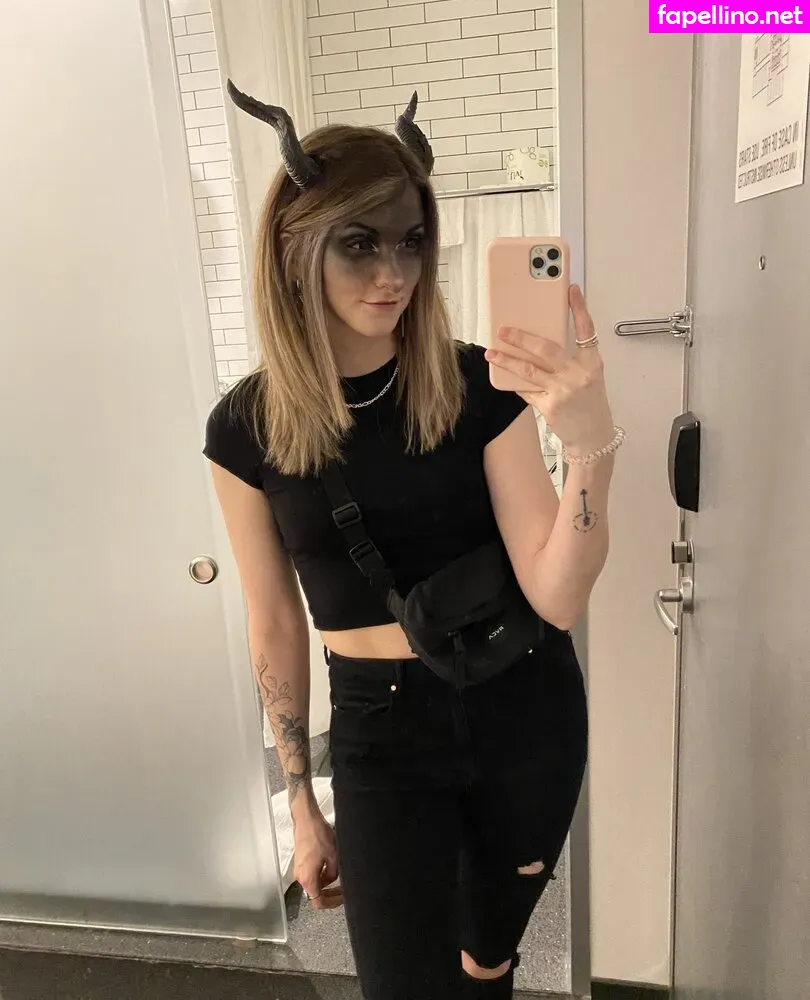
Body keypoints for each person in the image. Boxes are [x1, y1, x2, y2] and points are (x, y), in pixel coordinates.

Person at [203, 84, 622, 1000]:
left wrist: (592, 445)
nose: (392, 271)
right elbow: (274, 620)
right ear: (296, 247)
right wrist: (301, 802)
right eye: (360, 243)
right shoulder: (245, 427)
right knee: (401, 985)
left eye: (411, 240)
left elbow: (557, 595)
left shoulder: (476, 386)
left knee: (489, 962)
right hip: (378, 728)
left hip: (523, 706)